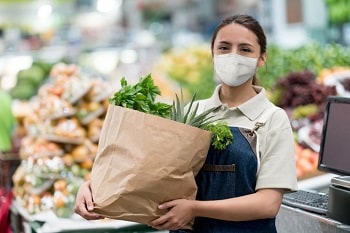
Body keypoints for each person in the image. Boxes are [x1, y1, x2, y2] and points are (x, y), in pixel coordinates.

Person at [74, 14, 297, 233]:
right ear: (213, 54)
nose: (233, 56)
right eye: (224, 47)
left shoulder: (272, 119)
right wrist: (92, 188)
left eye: (245, 49)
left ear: (262, 58)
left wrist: (194, 209)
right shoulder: (190, 114)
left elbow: (267, 204)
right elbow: (144, 169)